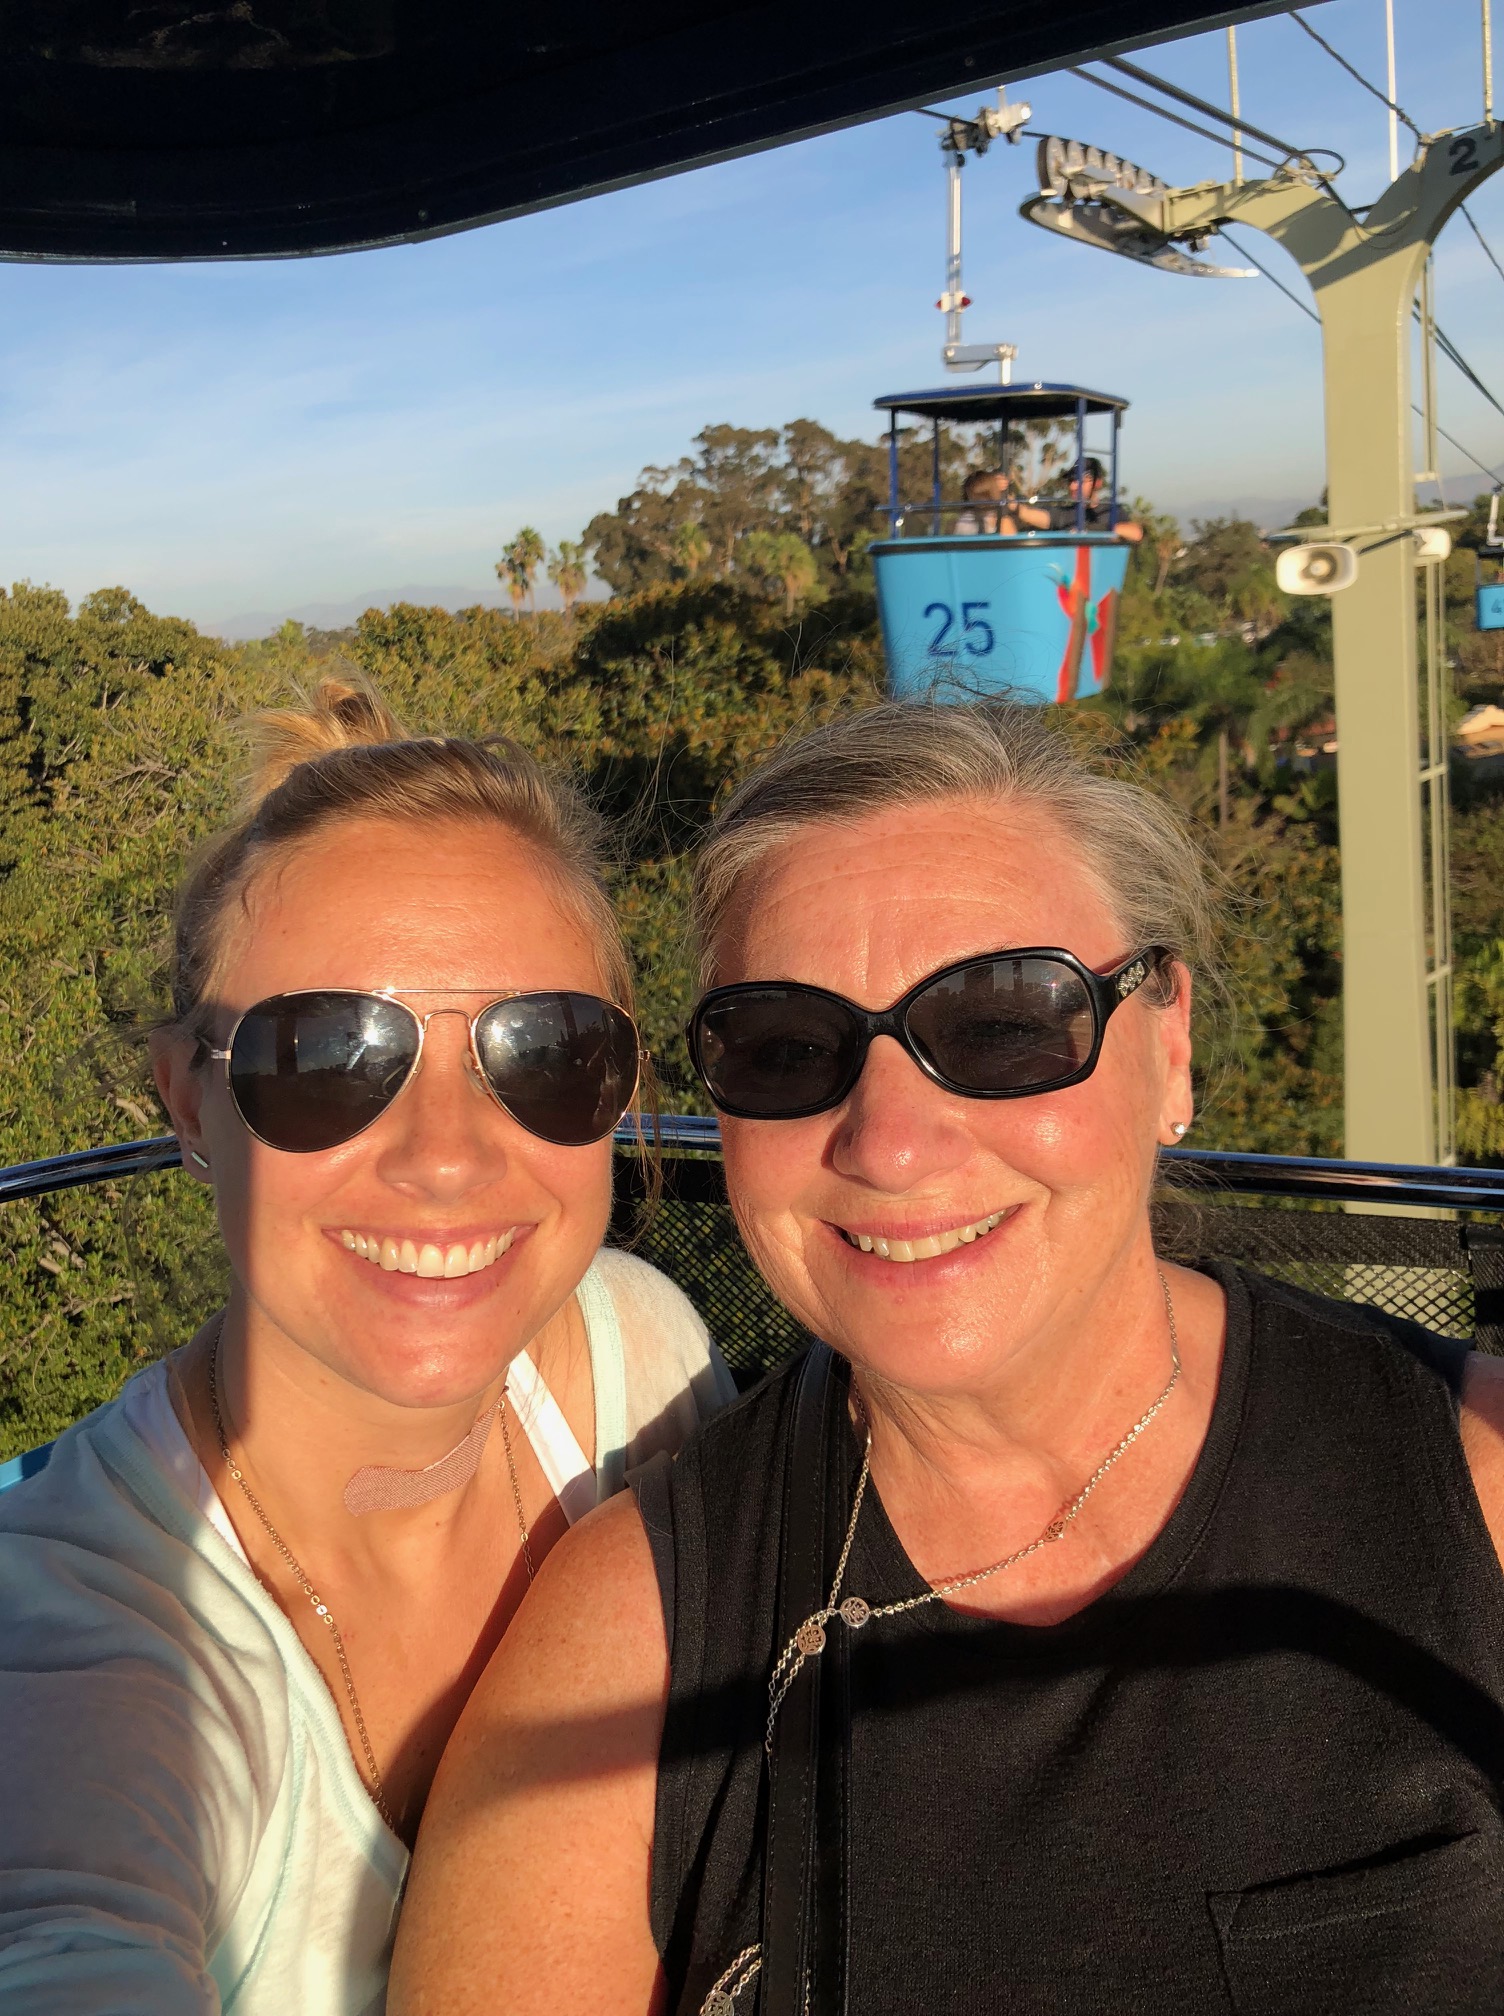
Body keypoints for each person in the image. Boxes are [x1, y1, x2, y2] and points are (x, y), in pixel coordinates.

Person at [395, 699, 1504, 2016]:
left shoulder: (1471, 1489)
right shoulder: (630, 1646)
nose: (890, 1142)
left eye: (1001, 1026)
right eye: (787, 1049)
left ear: (1168, 1047)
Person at [0, 679, 735, 2014]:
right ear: (186, 1102)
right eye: (324, 1058)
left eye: (545, 1051)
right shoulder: (80, 1627)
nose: (446, 1157)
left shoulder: (636, 1362)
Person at [1017, 454, 1142, 543]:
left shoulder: (1111, 511)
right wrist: (1014, 507)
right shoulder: (1064, 514)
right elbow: (1029, 514)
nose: (1073, 486)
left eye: (1080, 480)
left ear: (1097, 483)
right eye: (1071, 480)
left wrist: (1091, 530)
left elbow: (1136, 533)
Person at [951, 467, 1019, 536]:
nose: (979, 500)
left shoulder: (1003, 521)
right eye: (973, 495)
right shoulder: (966, 519)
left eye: (983, 495)